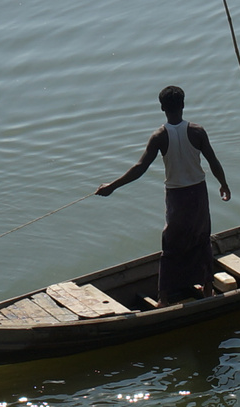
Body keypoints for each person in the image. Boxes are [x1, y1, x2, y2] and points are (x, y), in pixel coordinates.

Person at [96, 85, 231, 306]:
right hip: (197, 194)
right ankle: (207, 289)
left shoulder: (159, 136)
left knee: (171, 245)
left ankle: (164, 298)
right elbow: (213, 162)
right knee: (201, 238)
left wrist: (113, 186)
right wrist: (224, 184)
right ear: (183, 105)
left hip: (176, 197)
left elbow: (140, 168)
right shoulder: (197, 131)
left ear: (162, 108)